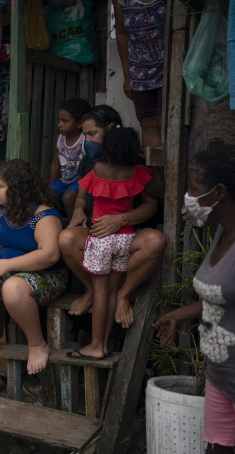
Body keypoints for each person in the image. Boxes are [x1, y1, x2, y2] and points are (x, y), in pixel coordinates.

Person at [153, 143, 235, 454]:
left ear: (219, 192)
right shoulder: (221, 232)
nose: (189, 195)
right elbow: (223, 296)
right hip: (220, 374)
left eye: (194, 187)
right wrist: (178, 315)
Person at [59, 105, 166, 323]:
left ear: (109, 129)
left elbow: (152, 203)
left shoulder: (132, 161)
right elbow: (81, 195)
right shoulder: (90, 160)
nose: (87, 141)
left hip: (130, 236)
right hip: (98, 235)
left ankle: (123, 294)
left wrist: (120, 220)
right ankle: (91, 290)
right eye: (84, 135)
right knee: (66, 238)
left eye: (91, 134)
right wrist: (79, 210)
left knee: (155, 241)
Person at [0, 159, 67, 375]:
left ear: (17, 190)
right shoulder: (3, 212)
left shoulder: (44, 216)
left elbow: (49, 254)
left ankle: (37, 344)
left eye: (1, 186)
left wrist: (9, 264)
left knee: (13, 288)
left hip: (47, 276)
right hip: (9, 273)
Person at [67, 127, 153, 360]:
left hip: (101, 239)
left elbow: (82, 191)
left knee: (100, 293)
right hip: (125, 238)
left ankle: (96, 345)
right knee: (113, 292)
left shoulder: (98, 169)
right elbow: (151, 192)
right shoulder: (136, 173)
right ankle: (104, 344)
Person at [113, 0, 166, 151]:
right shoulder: (121, 2)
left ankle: (174, 171)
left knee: (166, 120)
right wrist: (127, 75)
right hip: (139, 69)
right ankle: (157, 174)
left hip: (169, 65)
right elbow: (121, 33)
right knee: (148, 123)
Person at [49, 98, 92, 219]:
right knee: (47, 195)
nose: (59, 124)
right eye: (59, 120)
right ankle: (54, 222)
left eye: (64, 121)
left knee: (68, 198)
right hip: (63, 180)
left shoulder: (84, 140)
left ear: (78, 124)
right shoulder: (60, 139)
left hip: (78, 181)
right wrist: (52, 185)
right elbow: (55, 164)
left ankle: (72, 223)